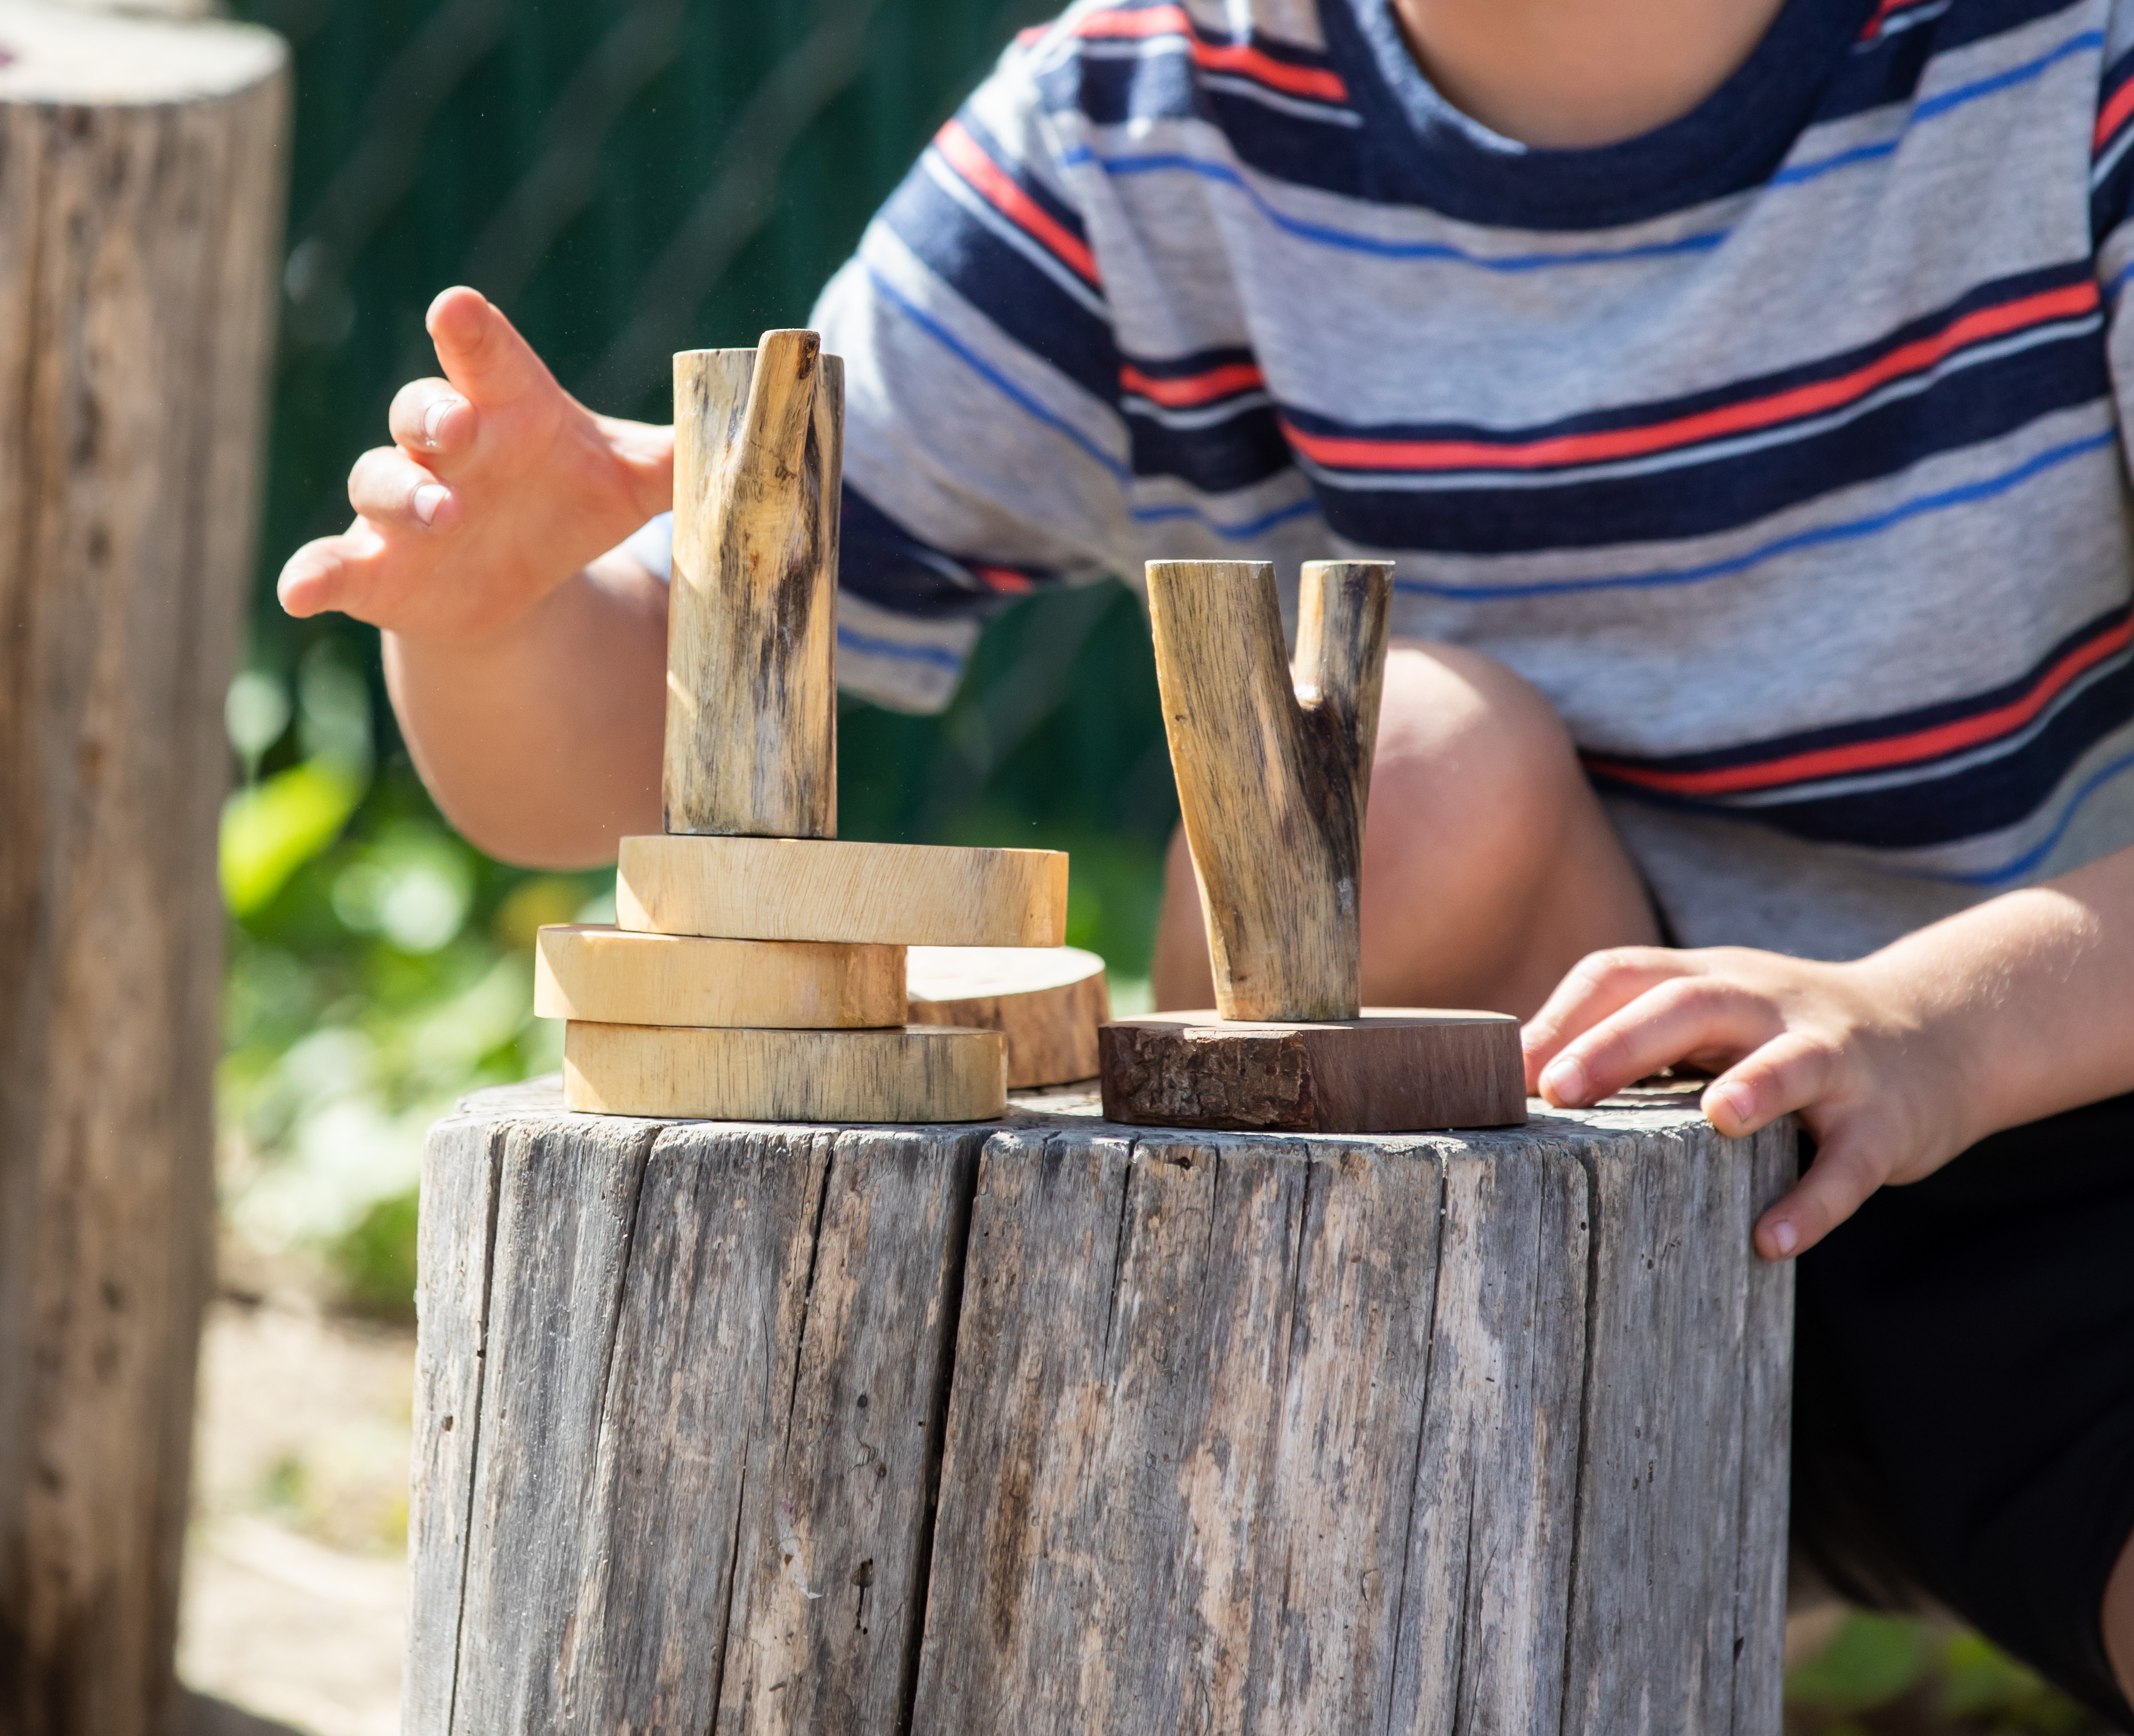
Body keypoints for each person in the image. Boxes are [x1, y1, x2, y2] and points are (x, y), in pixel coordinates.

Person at [280, 0, 2134, 1713]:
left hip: (2048, 1108)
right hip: (1507, 1190)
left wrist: (1935, 1025)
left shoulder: (2066, 73)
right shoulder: (1149, 112)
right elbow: (662, 713)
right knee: (1391, 767)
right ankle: (1326, 1525)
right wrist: (494, 610)